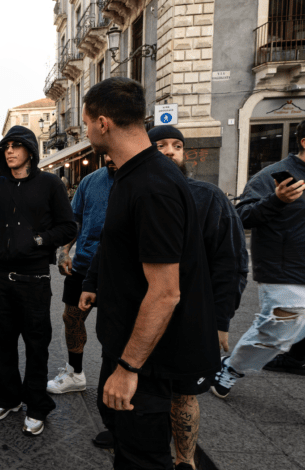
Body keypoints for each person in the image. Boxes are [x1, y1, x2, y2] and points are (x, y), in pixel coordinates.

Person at [77, 77, 217, 469]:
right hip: (127, 344)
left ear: (103, 123)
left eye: (87, 122)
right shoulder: (130, 173)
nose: (86, 131)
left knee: (142, 458)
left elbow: (165, 292)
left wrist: (128, 368)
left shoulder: (152, 185)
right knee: (126, 445)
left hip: (148, 361)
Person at [146, 125, 249, 470]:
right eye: (161, 145)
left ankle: (185, 460)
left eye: (177, 145)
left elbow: (231, 262)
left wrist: (221, 320)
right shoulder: (133, 194)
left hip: (192, 317)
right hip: (142, 316)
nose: (171, 151)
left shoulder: (208, 197)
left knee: (185, 392)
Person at [0, 126, 76, 436]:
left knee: (36, 346)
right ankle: (9, 397)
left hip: (35, 280)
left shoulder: (50, 184)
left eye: (17, 146)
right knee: (2, 344)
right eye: (6, 147)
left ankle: (37, 405)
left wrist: (39, 240)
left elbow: (68, 228)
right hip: (1, 280)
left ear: (30, 150)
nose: (10, 151)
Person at [212, 119, 305, 397]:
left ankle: (291, 357)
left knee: (292, 328)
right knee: (276, 328)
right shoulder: (274, 174)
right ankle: (230, 368)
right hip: (284, 267)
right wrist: (277, 200)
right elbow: (242, 216)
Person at [49, 154, 117, 396]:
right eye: (105, 152)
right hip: (85, 264)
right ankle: (75, 373)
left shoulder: (141, 180)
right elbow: (74, 221)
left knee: (119, 326)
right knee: (72, 318)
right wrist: (64, 251)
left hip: (121, 269)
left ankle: (122, 378)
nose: (109, 156)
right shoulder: (90, 181)